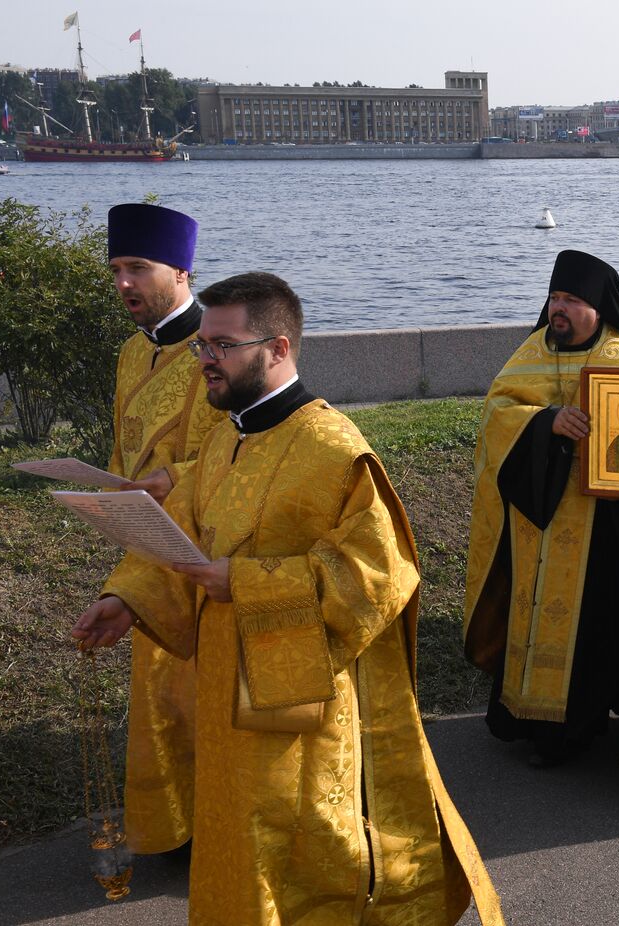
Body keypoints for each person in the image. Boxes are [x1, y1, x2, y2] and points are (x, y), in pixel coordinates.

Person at [71, 272, 503, 925]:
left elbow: (381, 575)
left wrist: (245, 584)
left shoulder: (333, 448)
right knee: (235, 853)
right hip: (219, 695)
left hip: (295, 711)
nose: (205, 363)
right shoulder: (223, 440)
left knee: (298, 869)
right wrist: (125, 599)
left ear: (276, 348)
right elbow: (177, 536)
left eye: (220, 348)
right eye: (202, 348)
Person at [463, 250, 619, 766]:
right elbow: (498, 414)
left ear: (598, 307)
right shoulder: (531, 352)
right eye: (554, 298)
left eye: (571, 300)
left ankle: (574, 729)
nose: (558, 309)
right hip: (534, 518)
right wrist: (545, 421)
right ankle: (520, 716)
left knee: (593, 621)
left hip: (599, 524)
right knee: (528, 616)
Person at [103, 202, 227, 855]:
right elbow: (127, 451)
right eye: (117, 269)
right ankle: (175, 829)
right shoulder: (131, 352)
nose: (124, 283)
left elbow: (243, 448)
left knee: (204, 700)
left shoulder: (220, 347)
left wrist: (170, 481)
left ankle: (218, 830)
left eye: (139, 268)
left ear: (182, 270)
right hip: (146, 547)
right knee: (161, 699)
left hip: (210, 556)